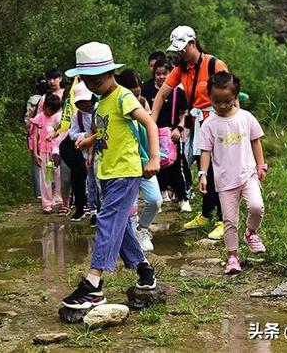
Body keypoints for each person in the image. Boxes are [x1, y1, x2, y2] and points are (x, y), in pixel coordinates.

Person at [61, 42, 160, 309]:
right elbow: (109, 131)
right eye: (87, 81)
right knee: (119, 223)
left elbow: (149, 122)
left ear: (110, 73)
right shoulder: (101, 102)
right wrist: (90, 140)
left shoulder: (123, 96)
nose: (93, 85)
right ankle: (144, 270)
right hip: (107, 171)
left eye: (97, 80)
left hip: (126, 170)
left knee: (106, 220)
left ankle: (94, 284)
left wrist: (153, 157)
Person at [151, 25, 227, 240]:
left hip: (218, 120)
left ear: (193, 43)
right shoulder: (180, 69)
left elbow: (231, 93)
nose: (180, 53)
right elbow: (161, 95)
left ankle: (223, 219)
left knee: (217, 170)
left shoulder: (214, 64)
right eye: (177, 50)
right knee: (204, 170)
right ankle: (205, 213)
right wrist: (152, 122)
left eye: (183, 48)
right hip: (199, 123)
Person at [198, 72, 267, 275]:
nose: (221, 105)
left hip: (247, 174)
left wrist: (260, 165)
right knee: (229, 221)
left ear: (236, 96)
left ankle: (251, 232)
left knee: (256, 206)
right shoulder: (209, 123)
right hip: (225, 180)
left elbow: (256, 140)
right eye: (216, 101)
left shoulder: (245, 118)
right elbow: (205, 150)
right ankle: (232, 256)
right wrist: (203, 174)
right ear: (209, 97)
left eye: (227, 101)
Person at [115, 69, 164, 252]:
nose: (136, 98)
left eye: (138, 94)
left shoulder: (142, 103)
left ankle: (142, 229)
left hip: (143, 160)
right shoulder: (115, 105)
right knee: (130, 205)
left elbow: (150, 126)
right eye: (133, 95)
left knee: (155, 200)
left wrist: (154, 157)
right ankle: (130, 239)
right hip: (124, 163)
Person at [142, 59, 193, 212]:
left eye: (165, 74)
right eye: (158, 74)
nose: (161, 77)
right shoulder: (147, 89)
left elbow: (186, 112)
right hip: (153, 133)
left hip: (172, 134)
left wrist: (179, 128)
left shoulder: (178, 92)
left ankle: (184, 197)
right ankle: (160, 194)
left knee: (177, 166)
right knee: (156, 164)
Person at [67, 80, 99, 223]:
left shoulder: (99, 110)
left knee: (101, 182)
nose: (83, 105)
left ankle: (102, 208)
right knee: (91, 182)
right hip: (86, 153)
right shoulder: (78, 116)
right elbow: (72, 134)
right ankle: (93, 211)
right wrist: (84, 136)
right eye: (79, 102)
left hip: (101, 151)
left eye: (85, 101)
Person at [30, 93, 65, 214]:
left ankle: (61, 201)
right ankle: (47, 204)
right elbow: (34, 136)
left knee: (59, 176)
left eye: (52, 110)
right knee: (46, 178)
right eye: (48, 108)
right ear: (44, 106)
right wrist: (35, 152)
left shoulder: (58, 118)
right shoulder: (39, 117)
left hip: (56, 151)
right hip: (44, 152)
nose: (49, 112)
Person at [25, 76, 48, 198]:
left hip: (35, 132)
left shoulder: (32, 99)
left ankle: (39, 192)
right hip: (49, 133)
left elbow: (28, 118)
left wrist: (30, 133)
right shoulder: (51, 98)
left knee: (36, 162)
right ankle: (49, 190)